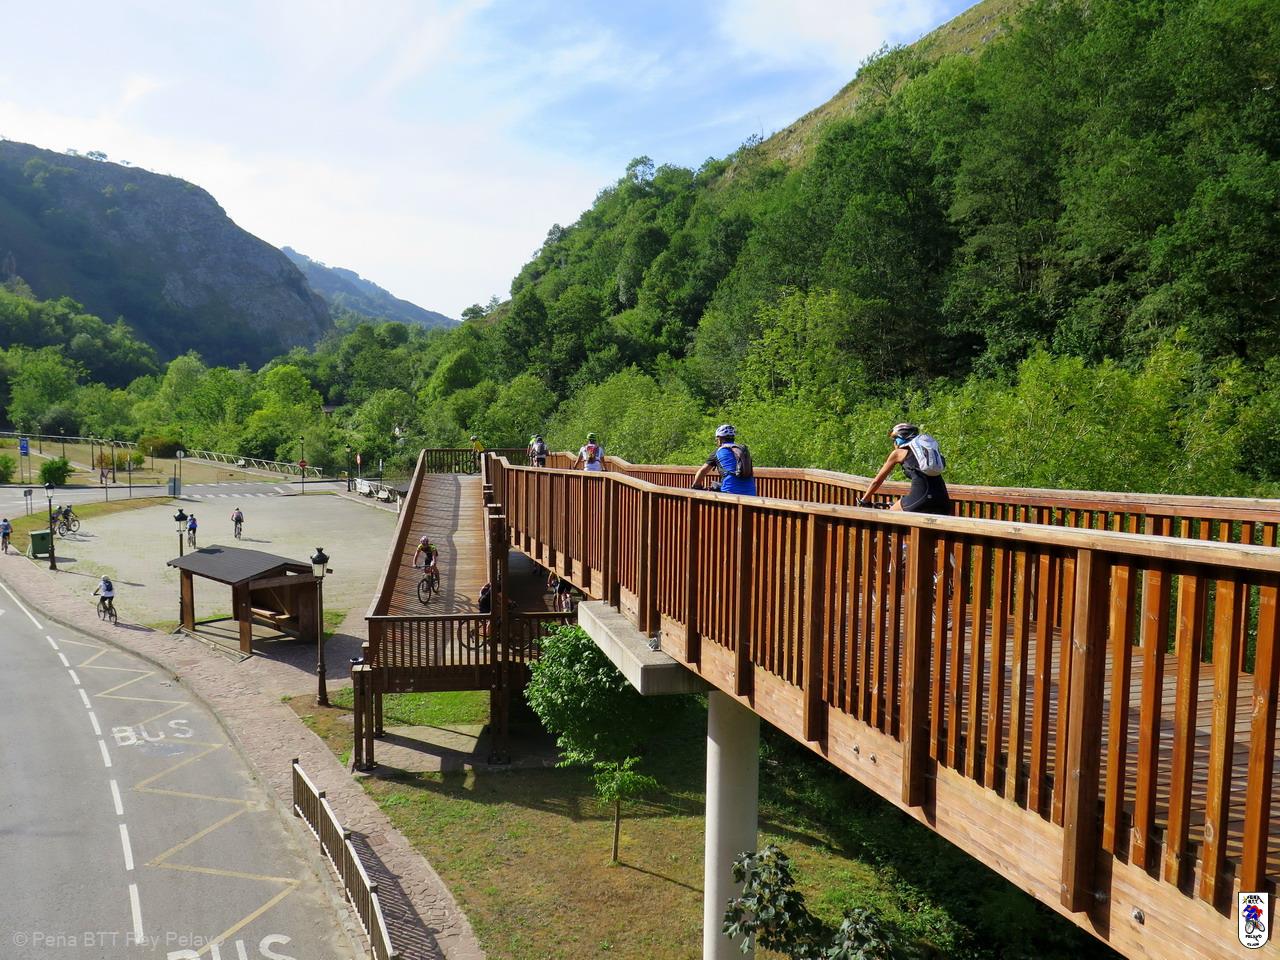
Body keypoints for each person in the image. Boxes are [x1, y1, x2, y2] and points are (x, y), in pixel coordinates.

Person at [859, 423, 951, 514]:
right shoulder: (924, 453)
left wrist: (864, 500)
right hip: (942, 498)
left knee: (887, 517)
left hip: (920, 497)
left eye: (894, 440)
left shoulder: (898, 453)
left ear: (899, 440)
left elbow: (877, 481)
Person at [692, 424, 756, 496]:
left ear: (720, 439)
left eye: (717, 439)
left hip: (730, 492)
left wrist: (696, 485)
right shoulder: (742, 450)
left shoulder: (718, 451)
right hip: (751, 492)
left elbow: (703, 471)